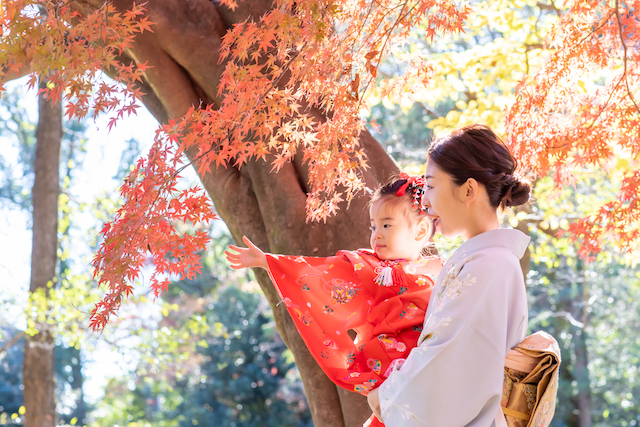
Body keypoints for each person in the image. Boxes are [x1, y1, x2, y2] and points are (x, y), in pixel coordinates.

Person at [225, 174, 443, 427]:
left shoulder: (441, 271)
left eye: (386, 225)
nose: (377, 235)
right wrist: (269, 262)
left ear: (422, 230)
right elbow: (321, 273)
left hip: (431, 368)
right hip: (392, 372)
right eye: (373, 226)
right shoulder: (367, 267)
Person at [367, 124, 532, 426]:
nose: (425, 202)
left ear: (468, 190)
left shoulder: (489, 265)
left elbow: (446, 361)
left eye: (430, 185)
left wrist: (389, 394)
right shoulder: (485, 260)